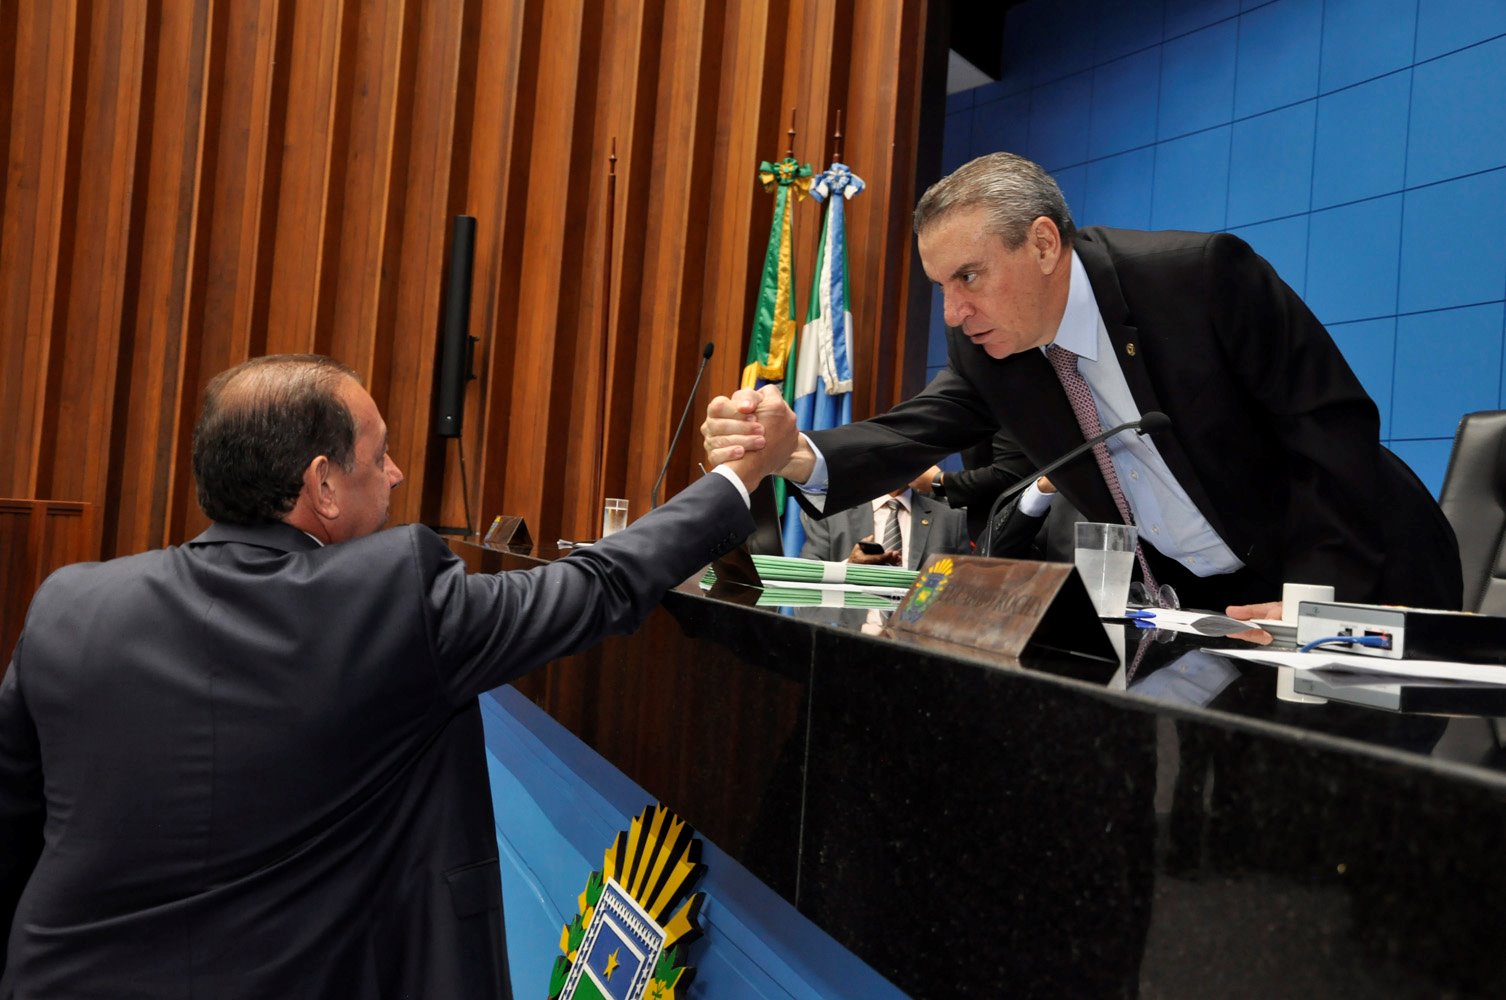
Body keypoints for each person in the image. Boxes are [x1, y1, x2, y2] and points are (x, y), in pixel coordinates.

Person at [0, 355, 796, 998]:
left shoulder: (68, 606)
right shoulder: (386, 598)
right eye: (379, 455)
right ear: (322, 485)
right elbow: (597, 586)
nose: (397, 473)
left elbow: (16, 826)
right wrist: (739, 478)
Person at [703, 152, 1462, 618]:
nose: (954, 311)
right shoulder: (990, 346)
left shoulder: (1199, 279)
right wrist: (792, 452)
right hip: (1215, 603)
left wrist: (1318, 601)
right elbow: (915, 430)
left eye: (968, 277)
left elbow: (1330, 425)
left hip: (1365, 569)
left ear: (1042, 243)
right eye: (941, 287)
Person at [798, 483, 968, 570]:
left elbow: (964, 587)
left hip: (920, 625)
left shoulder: (951, 519)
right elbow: (807, 578)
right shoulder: (831, 512)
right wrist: (848, 568)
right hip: (850, 626)